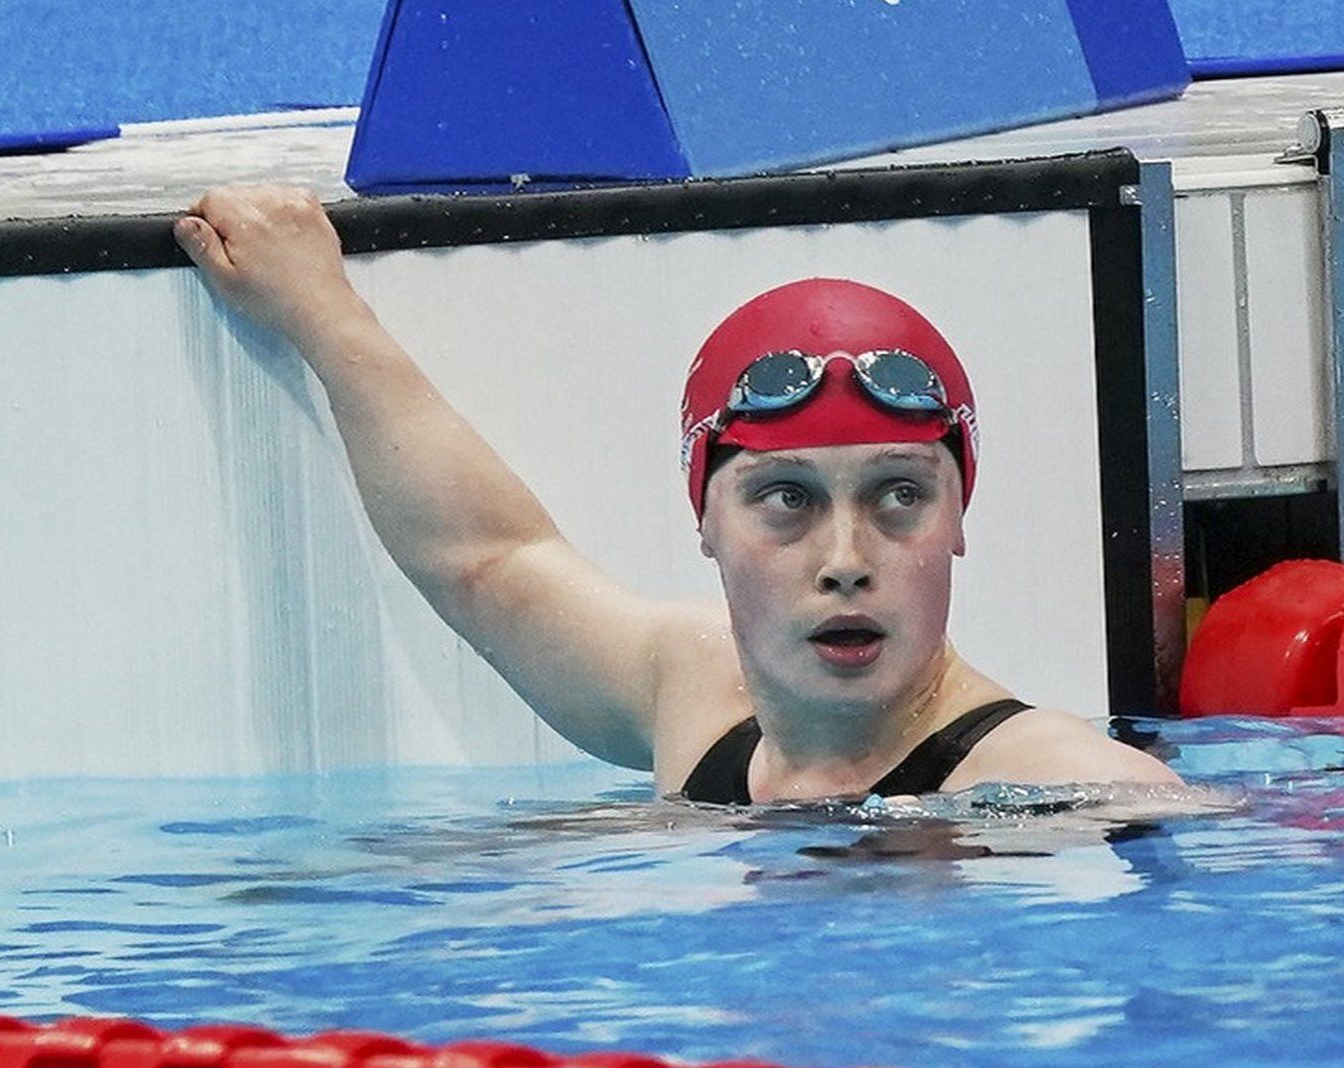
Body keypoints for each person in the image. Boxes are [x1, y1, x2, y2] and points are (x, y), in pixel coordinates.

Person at [174, 186, 1181, 804]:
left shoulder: (1065, 786)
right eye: (784, 499)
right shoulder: (692, 694)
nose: (844, 557)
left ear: (959, 512)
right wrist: (315, 305)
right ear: (703, 516)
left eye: (897, 497)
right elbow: (486, 562)